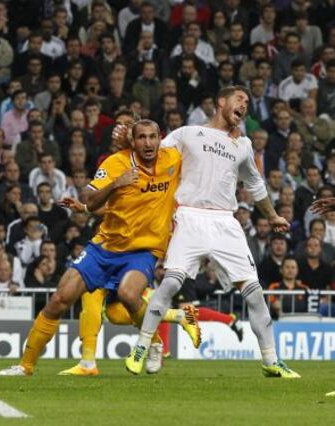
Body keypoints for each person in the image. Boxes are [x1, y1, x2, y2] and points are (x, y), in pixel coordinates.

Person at [0, 119, 200, 377]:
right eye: (142, 138)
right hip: (104, 248)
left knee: (128, 294)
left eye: (152, 137)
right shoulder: (115, 163)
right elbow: (90, 201)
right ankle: (25, 366)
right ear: (133, 142)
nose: (148, 143)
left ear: (160, 138)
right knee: (60, 299)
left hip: (143, 251)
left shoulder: (173, 159)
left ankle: (152, 345)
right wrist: (116, 184)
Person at [126, 85, 300, 378]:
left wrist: (271, 216)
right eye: (239, 99)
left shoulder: (242, 145)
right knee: (169, 284)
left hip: (225, 222)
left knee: (255, 294)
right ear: (221, 101)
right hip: (189, 216)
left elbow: (255, 185)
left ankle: (271, 360)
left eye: (247, 101)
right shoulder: (187, 133)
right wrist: (126, 143)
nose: (244, 105)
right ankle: (141, 346)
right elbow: (151, 157)